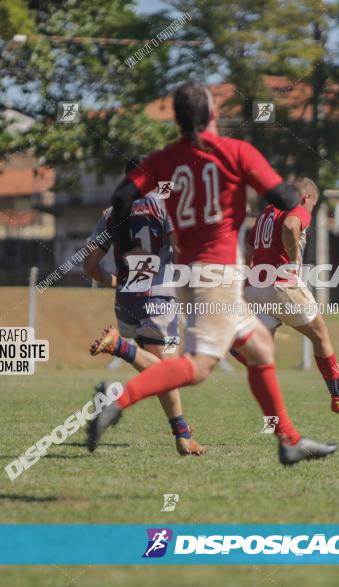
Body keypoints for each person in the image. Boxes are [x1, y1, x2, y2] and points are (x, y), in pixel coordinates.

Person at [86, 81, 338, 465]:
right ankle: (117, 401)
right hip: (216, 274)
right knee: (198, 367)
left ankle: (289, 439)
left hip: (189, 274)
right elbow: (285, 199)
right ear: (214, 115)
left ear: (178, 118)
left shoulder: (163, 159)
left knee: (259, 349)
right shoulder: (236, 151)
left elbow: (122, 198)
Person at [83, 156, 206, 456]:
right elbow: (179, 248)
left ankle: (183, 435)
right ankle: (119, 347)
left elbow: (90, 265)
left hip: (126, 300)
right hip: (158, 298)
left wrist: (112, 280)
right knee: (169, 370)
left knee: (164, 371)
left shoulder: (111, 213)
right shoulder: (164, 205)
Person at [239, 177, 339, 414]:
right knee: (320, 335)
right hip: (281, 285)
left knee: (262, 354)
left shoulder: (267, 211)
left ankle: (236, 345)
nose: (310, 210)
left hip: (255, 287)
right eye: (313, 205)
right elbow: (290, 226)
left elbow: (248, 247)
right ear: (306, 197)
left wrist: (245, 281)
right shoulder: (296, 207)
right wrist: (294, 255)